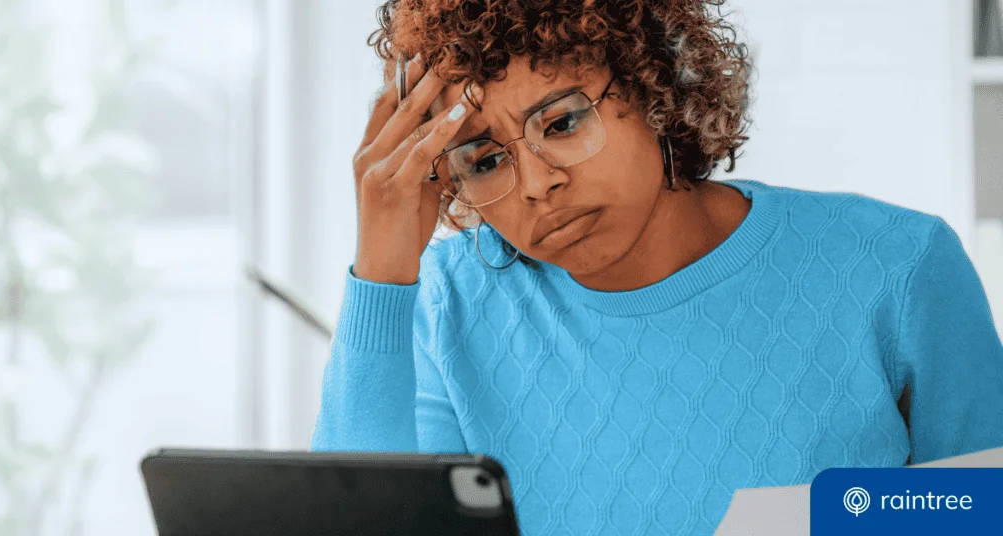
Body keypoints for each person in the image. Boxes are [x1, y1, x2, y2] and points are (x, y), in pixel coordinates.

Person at [311, 0, 1003, 533]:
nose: (535, 184)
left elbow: (982, 506)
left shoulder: (897, 266)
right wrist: (381, 267)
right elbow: (359, 524)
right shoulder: (449, 302)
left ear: (654, 82)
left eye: (561, 123)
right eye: (485, 161)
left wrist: (798, 515)